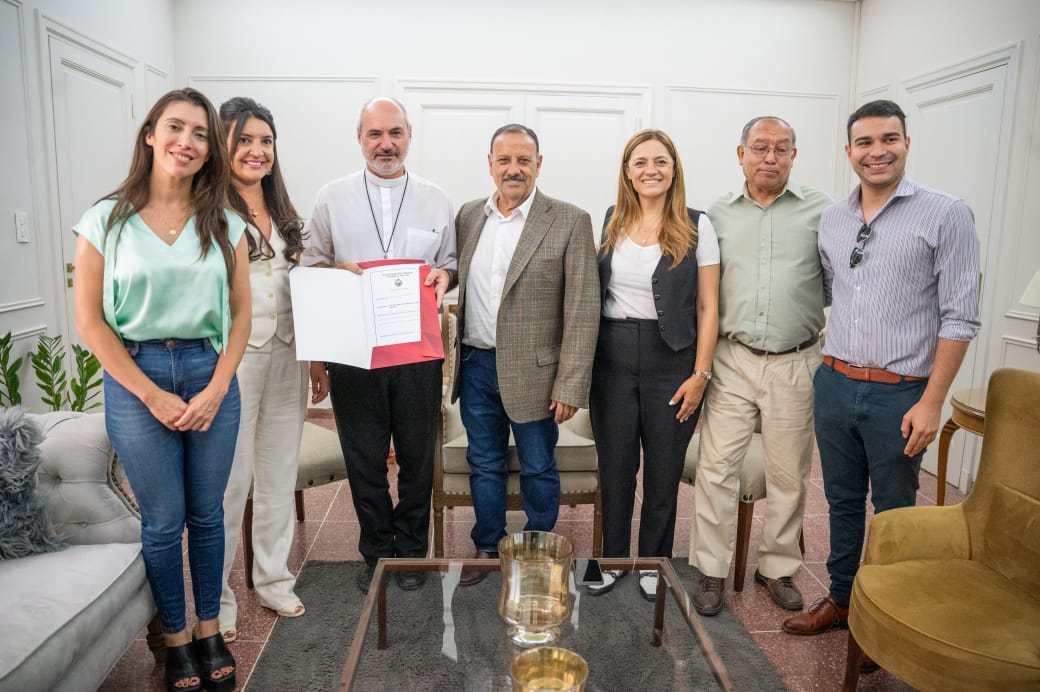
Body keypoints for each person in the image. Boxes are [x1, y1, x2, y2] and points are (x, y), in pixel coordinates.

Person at [781, 99, 980, 640]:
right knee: (842, 504)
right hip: (836, 384)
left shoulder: (945, 213)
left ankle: (887, 624)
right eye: (865, 143)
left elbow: (960, 316)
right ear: (849, 152)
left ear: (906, 144)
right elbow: (827, 290)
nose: (877, 152)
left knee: (894, 514)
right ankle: (842, 601)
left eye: (888, 139)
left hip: (902, 394)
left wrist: (932, 401)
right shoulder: (834, 218)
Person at [73, 88, 248, 692]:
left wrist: (216, 388)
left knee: (207, 515)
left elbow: (243, 316)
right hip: (134, 376)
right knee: (163, 520)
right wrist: (151, 394)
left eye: (200, 134)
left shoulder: (225, 220)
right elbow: (91, 322)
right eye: (176, 128)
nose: (188, 142)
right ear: (150, 134)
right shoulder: (105, 219)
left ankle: (208, 630)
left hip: (209, 371)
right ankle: (173, 638)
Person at [301, 97, 456, 593]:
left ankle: (411, 552)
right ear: (359, 137)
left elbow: (450, 263)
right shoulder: (330, 196)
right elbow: (308, 268)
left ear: (409, 135)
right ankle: (377, 551)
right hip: (353, 353)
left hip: (416, 355)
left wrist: (444, 275)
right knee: (364, 459)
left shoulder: (436, 198)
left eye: (395, 133)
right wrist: (317, 359)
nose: (385, 143)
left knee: (416, 458)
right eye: (375, 134)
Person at [690, 116, 832, 617]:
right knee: (717, 467)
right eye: (760, 148)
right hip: (732, 358)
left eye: (781, 148)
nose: (770, 157)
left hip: (796, 361)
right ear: (741, 154)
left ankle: (776, 568)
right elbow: (704, 290)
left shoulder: (823, 212)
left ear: (795, 154)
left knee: (789, 473)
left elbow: (833, 283)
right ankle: (710, 568)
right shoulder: (716, 216)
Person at [452, 124, 600, 586]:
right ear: (490, 164)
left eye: (523, 160)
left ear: (539, 164)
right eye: (504, 160)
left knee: (538, 464)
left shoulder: (570, 220)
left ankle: (538, 546)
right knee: (484, 462)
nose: (513, 169)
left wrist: (571, 383)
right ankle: (486, 545)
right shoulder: (469, 216)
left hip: (538, 374)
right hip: (477, 364)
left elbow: (583, 307)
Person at [588, 129, 720, 600]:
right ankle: (613, 559)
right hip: (613, 359)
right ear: (627, 171)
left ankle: (652, 562)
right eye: (640, 162)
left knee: (663, 471)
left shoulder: (698, 225)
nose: (650, 170)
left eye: (660, 161)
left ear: (674, 169)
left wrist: (700, 375)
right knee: (616, 467)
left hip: (673, 363)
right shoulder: (609, 221)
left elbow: (708, 307)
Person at [217, 97, 326, 644]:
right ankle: (217, 597)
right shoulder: (206, 209)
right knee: (231, 482)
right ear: (223, 144)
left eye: (265, 141)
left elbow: (301, 287)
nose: (256, 151)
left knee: (278, 473)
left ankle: (273, 578)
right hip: (232, 360)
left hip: (288, 352)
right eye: (244, 140)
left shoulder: (283, 210)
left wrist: (315, 356)